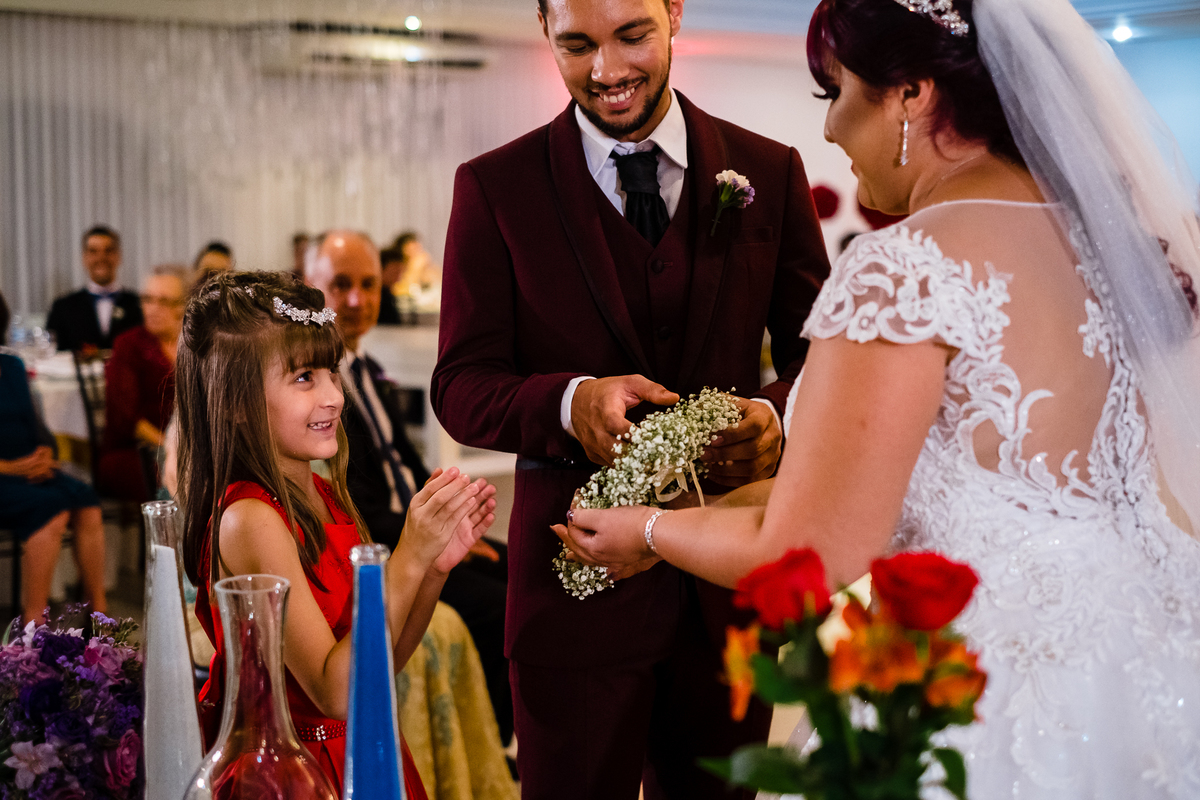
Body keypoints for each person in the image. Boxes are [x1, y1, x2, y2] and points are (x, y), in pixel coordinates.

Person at [558, 0, 1200, 797]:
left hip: (974, 690)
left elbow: (811, 553)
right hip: (1144, 667)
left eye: (836, 92)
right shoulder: (1118, 247)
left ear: (910, 95)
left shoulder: (904, 269)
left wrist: (649, 530)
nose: (828, 130)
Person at [431, 0, 830, 796]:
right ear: (543, 27)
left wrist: (776, 416)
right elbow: (461, 385)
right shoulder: (494, 188)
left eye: (632, 36)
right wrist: (567, 401)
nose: (607, 72)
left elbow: (820, 357)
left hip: (727, 596)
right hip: (571, 596)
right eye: (576, 44)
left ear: (675, 11)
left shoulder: (770, 170)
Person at [177, 270, 497, 797]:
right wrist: (409, 557)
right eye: (304, 377)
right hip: (297, 770)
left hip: (356, 747)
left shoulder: (321, 494)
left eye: (331, 372)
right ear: (234, 403)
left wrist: (436, 566)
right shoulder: (250, 519)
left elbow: (378, 664)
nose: (334, 396)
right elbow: (332, 690)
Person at [305, 230, 514, 749]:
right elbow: (359, 507)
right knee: (503, 604)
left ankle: (513, 734)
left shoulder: (368, 370)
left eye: (369, 285)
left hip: (417, 527)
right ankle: (494, 743)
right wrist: (433, 537)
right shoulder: (318, 389)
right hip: (387, 543)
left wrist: (454, 512)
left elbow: (407, 466)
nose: (357, 300)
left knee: (523, 564)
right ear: (312, 288)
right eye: (342, 285)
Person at [0, 292, 108, 625]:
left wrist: (47, 452)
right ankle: (34, 620)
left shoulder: (13, 365)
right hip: (4, 476)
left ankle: (99, 609)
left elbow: (38, 426)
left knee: (86, 500)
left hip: (31, 469)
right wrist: (11, 467)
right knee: (52, 510)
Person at [98, 264, 190, 502]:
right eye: (148, 299)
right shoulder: (128, 345)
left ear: (183, 305)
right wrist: (172, 448)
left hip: (183, 450)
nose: (153, 309)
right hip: (134, 452)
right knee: (191, 474)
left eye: (164, 301)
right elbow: (128, 419)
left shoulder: (194, 344)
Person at [46, 225, 143, 352]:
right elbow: (53, 355)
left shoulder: (140, 304)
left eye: (108, 251)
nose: (101, 258)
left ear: (118, 256)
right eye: (93, 251)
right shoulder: (63, 307)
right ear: (84, 258)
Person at [377, 245, 406, 326]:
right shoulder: (379, 297)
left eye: (400, 272)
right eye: (395, 272)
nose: (399, 277)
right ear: (380, 269)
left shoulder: (387, 293)